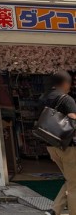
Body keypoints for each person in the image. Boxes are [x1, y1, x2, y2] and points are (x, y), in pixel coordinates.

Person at [40, 71, 76, 215]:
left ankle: (54, 210)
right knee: (74, 184)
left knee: (71, 179)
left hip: (51, 145)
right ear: (65, 83)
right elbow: (73, 119)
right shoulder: (66, 99)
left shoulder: (43, 98)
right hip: (68, 147)